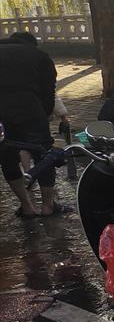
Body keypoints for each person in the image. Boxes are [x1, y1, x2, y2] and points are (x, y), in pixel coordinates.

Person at [0, 31, 61, 218]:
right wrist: (45, 114)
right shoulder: (40, 56)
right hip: (30, 108)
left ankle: (26, 206)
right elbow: (48, 92)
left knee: (7, 156)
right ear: (32, 45)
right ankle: (47, 206)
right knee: (44, 154)